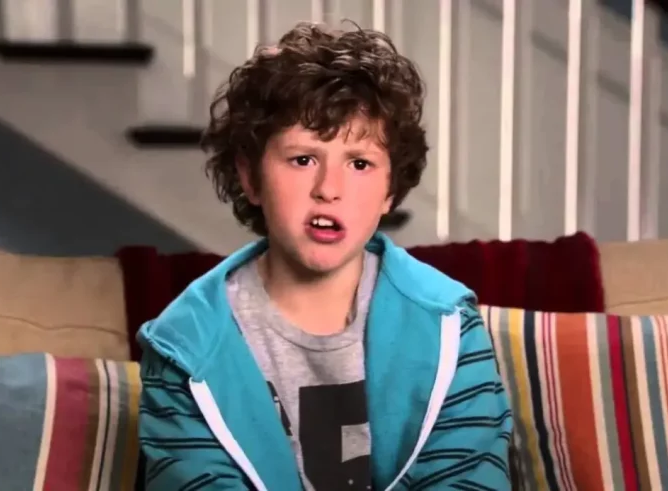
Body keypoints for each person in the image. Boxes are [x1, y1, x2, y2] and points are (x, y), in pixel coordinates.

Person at [137, 22, 513, 491]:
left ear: (390, 191)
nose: (329, 190)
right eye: (303, 159)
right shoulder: (183, 349)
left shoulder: (449, 328)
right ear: (250, 178)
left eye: (359, 163)